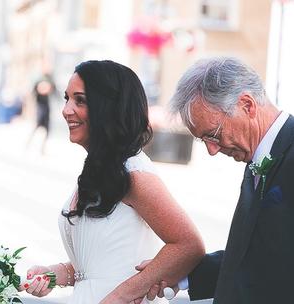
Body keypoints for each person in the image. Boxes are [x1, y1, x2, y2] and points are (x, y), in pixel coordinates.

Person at [22, 60, 205, 303]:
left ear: (108, 107)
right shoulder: (99, 170)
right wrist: (54, 274)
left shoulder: (134, 173)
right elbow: (98, 263)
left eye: (80, 100)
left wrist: (119, 297)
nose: (66, 110)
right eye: (66, 98)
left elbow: (188, 245)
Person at [142, 57, 294, 304]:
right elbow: (255, 256)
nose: (212, 151)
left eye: (213, 135)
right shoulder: (256, 157)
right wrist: (181, 274)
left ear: (247, 105)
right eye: (204, 140)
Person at [26, 73, 56, 154]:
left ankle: (42, 148)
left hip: (46, 107)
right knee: (36, 127)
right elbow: (32, 93)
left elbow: (55, 92)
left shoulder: (51, 79)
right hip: (40, 107)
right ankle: (28, 144)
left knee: (47, 130)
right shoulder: (39, 79)